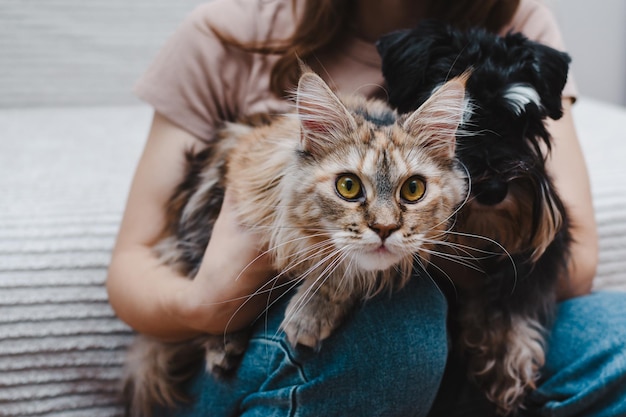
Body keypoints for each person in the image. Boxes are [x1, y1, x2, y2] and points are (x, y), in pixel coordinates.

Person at [106, 0, 626, 415]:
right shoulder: (224, 32)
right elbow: (132, 267)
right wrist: (208, 302)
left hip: (462, 326)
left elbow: (573, 266)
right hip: (261, 329)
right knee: (399, 326)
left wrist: (425, 243)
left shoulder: (516, 18)